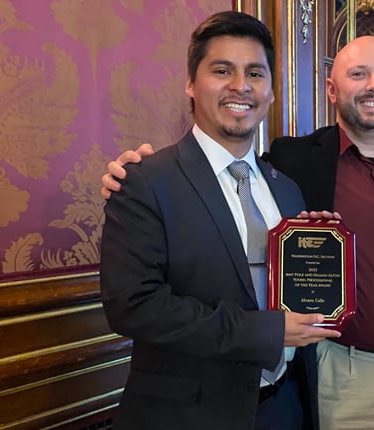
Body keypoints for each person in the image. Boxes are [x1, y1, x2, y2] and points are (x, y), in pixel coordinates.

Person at [103, 35, 374, 430]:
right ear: (332, 91)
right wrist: (135, 170)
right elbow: (209, 176)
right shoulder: (293, 161)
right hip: (338, 374)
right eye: (358, 74)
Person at [99, 11, 340, 430]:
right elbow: (133, 307)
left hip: (285, 407)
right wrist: (266, 332)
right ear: (191, 83)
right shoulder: (143, 180)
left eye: (255, 73)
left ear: (270, 90)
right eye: (222, 70)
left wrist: (322, 250)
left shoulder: (286, 189)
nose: (240, 86)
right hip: (186, 415)